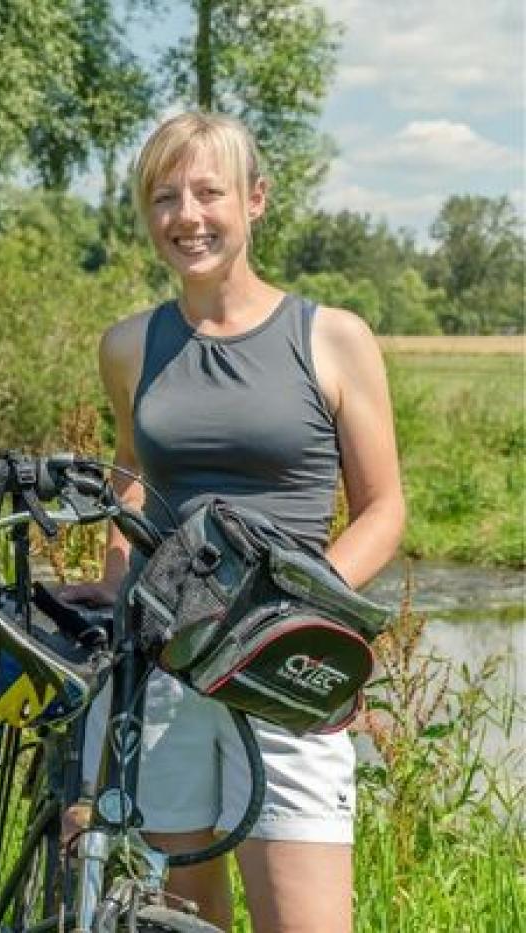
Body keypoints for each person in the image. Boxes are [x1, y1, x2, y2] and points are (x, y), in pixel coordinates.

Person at [67, 112, 405, 932]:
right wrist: (113, 594)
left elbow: (384, 509)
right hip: (164, 673)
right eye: (164, 197)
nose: (187, 215)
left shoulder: (331, 338)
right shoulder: (129, 346)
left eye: (209, 192)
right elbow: (131, 484)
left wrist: (293, 613)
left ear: (255, 200)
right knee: (180, 921)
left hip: (283, 676)